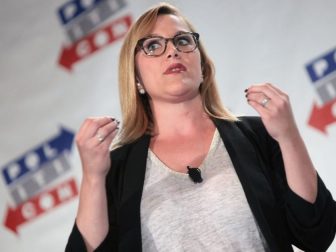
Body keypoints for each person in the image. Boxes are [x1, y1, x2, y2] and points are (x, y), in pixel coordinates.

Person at [65, 2, 336, 252]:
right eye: (152, 46)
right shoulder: (117, 169)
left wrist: (288, 136)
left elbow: (317, 234)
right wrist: (92, 178)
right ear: (135, 78)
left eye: (183, 40)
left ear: (203, 66)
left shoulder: (257, 136)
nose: (172, 50)